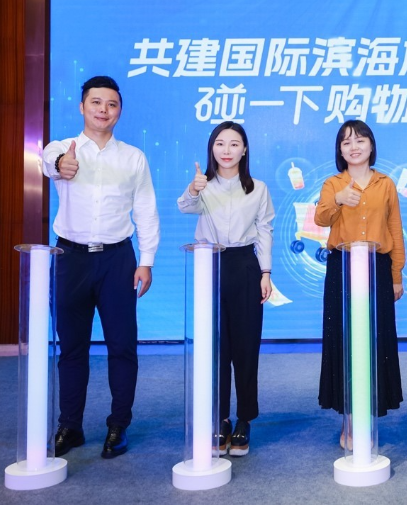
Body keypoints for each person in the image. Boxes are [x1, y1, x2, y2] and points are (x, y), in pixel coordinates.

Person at [42, 75, 160, 459]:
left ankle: (118, 426)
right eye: (96, 102)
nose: (103, 110)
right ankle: (70, 426)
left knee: (122, 346)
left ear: (119, 111)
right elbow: (47, 162)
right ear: (82, 107)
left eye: (111, 104)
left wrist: (146, 261)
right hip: (70, 259)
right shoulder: (63, 148)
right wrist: (61, 164)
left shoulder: (133, 157)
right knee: (72, 347)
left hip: (117, 260)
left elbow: (146, 210)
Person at [178, 122, 274, 456]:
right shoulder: (202, 184)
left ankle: (244, 419)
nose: (227, 150)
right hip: (210, 264)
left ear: (244, 150)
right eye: (220, 143)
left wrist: (266, 272)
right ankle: (218, 418)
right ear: (211, 149)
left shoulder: (258, 188)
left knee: (246, 347)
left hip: (246, 265)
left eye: (234, 144)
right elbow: (185, 207)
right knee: (215, 348)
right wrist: (194, 189)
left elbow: (265, 230)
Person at [314, 120, 405, 448]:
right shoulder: (333, 183)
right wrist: (338, 199)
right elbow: (321, 218)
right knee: (345, 342)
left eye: (360, 140)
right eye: (346, 142)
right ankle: (349, 420)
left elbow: (394, 229)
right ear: (339, 150)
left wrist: (396, 274)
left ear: (371, 145)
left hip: (377, 268)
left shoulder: (386, 183)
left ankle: (368, 417)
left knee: (374, 343)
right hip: (342, 269)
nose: (354, 147)